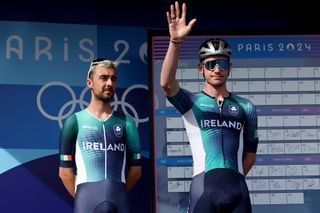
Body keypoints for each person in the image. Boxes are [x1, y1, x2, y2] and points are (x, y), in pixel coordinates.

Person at [160, 2, 258, 213]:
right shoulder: (192, 102)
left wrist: (233, 176)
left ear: (229, 68)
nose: (216, 69)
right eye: (210, 64)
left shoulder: (246, 107)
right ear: (200, 68)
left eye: (222, 64)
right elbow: (167, 84)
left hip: (238, 191)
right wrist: (175, 41)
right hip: (203, 190)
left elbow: (249, 156)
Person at [59, 58, 142, 213]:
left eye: (113, 79)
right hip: (86, 201)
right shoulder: (74, 121)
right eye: (104, 78)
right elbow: (65, 173)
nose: (110, 83)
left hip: (119, 201)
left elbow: (136, 171)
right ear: (89, 83)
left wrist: (117, 192)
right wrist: (85, 196)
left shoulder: (127, 122)